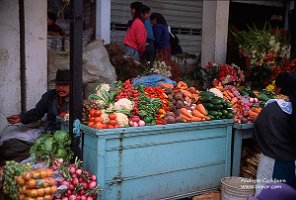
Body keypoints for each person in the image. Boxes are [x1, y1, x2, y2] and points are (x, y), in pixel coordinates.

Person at [0, 69, 71, 165]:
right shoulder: (50, 96)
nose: (60, 88)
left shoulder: (76, 100)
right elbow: (38, 112)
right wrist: (21, 118)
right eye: (58, 84)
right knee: (9, 137)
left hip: (63, 139)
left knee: (48, 154)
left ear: (72, 85)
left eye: (65, 85)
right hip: (45, 131)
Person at [253, 72, 296, 194]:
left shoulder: (273, 108)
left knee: (269, 194)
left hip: (273, 162)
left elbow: (260, 129)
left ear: (280, 88)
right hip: (292, 162)